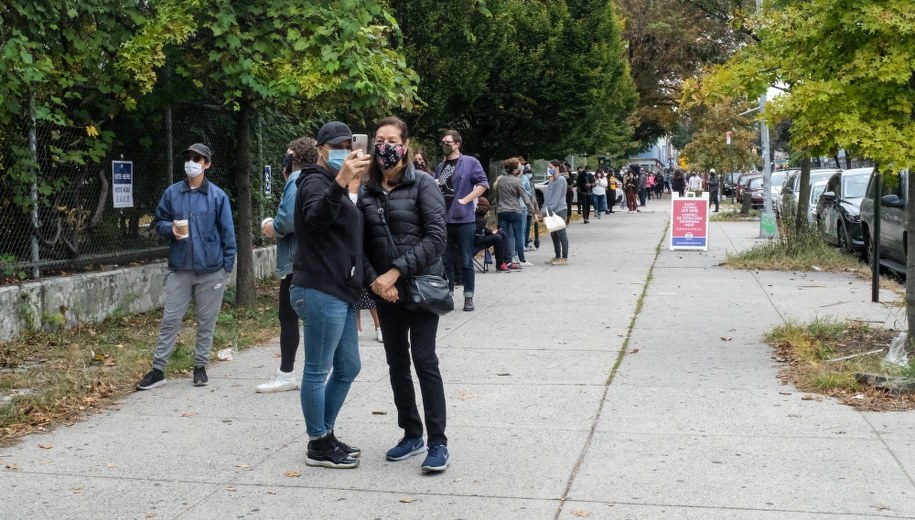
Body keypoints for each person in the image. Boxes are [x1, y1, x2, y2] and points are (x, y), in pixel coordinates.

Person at [359, 116, 450, 473]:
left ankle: (438, 441)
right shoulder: (365, 191)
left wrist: (395, 272)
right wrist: (376, 281)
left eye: (392, 140)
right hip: (385, 292)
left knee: (425, 361)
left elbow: (436, 238)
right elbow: (358, 245)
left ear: (406, 145)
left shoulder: (424, 184)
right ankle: (411, 433)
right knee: (396, 363)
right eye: (379, 140)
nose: (385, 147)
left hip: (421, 286)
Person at [291, 121, 372, 469]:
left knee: (349, 366)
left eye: (348, 144)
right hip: (319, 287)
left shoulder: (334, 183)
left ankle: (326, 432)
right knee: (316, 369)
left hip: (339, 288)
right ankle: (318, 442)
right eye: (337, 145)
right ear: (322, 149)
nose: (343, 150)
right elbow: (315, 219)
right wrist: (341, 182)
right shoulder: (312, 180)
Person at [136, 143, 237, 390]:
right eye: (189, 158)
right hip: (180, 268)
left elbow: (228, 235)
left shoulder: (217, 196)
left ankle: (200, 367)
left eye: (197, 159)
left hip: (211, 269)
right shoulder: (172, 193)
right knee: (171, 318)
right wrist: (168, 229)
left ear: (207, 164)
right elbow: (158, 221)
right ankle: (158, 370)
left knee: (206, 321)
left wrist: (226, 268)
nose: (191, 162)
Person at [256, 137, 317, 393]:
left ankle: (287, 373)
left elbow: (286, 222)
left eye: (289, 155)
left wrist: (270, 226)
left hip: (295, 262)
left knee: (288, 316)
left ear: (298, 158)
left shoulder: (296, 179)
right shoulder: (322, 177)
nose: (286, 160)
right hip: (316, 260)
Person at [435, 130, 489, 312]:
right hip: (444, 220)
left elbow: (483, 184)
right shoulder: (440, 166)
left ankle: (468, 296)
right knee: (445, 260)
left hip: (464, 220)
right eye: (443, 141)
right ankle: (448, 293)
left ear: (457, 144)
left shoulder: (470, 162)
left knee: (466, 260)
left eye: (448, 142)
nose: (444, 144)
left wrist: (466, 200)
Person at [495, 157, 533, 270]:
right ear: (515, 170)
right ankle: (521, 259)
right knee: (518, 235)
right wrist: (531, 209)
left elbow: (497, 196)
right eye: (519, 168)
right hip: (515, 210)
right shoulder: (517, 181)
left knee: (504, 237)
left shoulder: (500, 180)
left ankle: (506, 261)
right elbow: (524, 196)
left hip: (502, 211)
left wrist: (497, 209)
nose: (521, 170)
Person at [474, 197, 510, 272]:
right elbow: (477, 230)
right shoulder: (473, 215)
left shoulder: (480, 215)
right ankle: (499, 265)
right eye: (484, 208)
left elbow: (483, 228)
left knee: (502, 234)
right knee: (497, 238)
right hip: (476, 239)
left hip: (482, 235)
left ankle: (506, 261)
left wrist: (491, 231)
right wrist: (484, 220)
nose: (485, 211)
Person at [544, 161, 569, 264]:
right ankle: (557, 255)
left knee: (561, 234)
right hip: (551, 210)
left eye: (551, 167)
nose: (550, 169)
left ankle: (564, 257)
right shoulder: (552, 180)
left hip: (559, 209)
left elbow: (557, 196)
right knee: (554, 234)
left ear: (557, 167)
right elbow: (548, 195)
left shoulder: (561, 179)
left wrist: (550, 208)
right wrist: (545, 209)